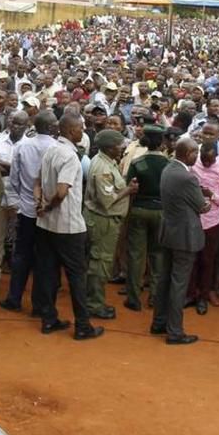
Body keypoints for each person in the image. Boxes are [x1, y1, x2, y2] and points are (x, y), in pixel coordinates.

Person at [34, 112, 104, 340]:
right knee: (76, 276)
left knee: (47, 272)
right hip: (68, 226)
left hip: (45, 225)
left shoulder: (51, 150)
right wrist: (50, 206)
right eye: (80, 127)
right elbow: (62, 191)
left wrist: (39, 204)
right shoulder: (70, 156)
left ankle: (48, 319)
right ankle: (82, 325)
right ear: (71, 130)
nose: (82, 131)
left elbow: (37, 181)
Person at [0, 110, 58, 314]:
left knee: (21, 255)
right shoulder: (58, 148)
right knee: (44, 259)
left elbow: (13, 180)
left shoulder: (24, 146)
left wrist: (19, 202)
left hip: (25, 210)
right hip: (49, 213)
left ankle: (14, 299)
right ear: (51, 127)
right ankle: (39, 306)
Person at [151, 136, 209, 345]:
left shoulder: (168, 169)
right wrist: (209, 200)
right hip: (185, 236)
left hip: (169, 232)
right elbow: (202, 206)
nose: (198, 156)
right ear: (188, 154)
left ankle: (159, 322)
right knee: (179, 284)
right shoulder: (188, 178)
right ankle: (174, 331)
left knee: (164, 278)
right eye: (196, 153)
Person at [83, 129, 137, 319]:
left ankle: (93, 300)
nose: (122, 147)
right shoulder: (102, 168)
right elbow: (107, 200)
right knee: (100, 263)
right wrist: (128, 190)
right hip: (102, 220)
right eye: (119, 145)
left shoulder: (106, 161)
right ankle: (94, 304)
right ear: (109, 147)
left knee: (99, 261)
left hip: (102, 219)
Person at [124, 125, 169, 311]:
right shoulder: (168, 164)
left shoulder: (138, 162)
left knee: (136, 256)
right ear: (162, 142)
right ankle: (156, 297)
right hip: (161, 211)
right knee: (158, 256)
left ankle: (134, 298)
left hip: (139, 209)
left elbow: (130, 187)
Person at [0, 111, 28, 293]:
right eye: (13, 123)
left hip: (20, 197)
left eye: (20, 124)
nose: (16, 126)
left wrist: (6, 166)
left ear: (26, 126)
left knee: (20, 240)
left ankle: (19, 279)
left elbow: (26, 172)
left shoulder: (29, 145)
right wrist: (13, 168)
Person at [188, 141, 219, 314]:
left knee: (207, 260)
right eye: (204, 159)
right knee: (191, 259)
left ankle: (203, 297)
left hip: (211, 221)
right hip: (192, 218)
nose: (206, 163)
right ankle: (190, 294)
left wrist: (211, 195)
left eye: (209, 160)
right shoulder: (192, 165)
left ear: (216, 157)